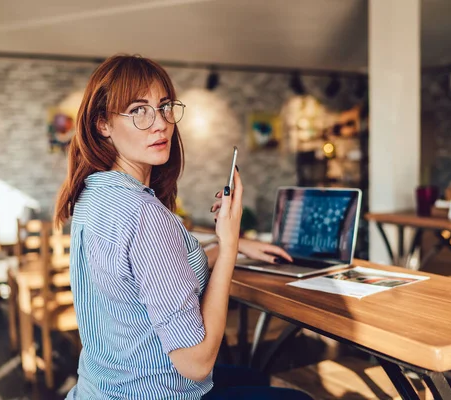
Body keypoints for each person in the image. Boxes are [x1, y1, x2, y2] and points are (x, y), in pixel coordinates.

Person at [55, 54, 312, 399]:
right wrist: (231, 246)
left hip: (101, 388)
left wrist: (225, 243)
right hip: (154, 391)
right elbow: (197, 363)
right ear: (103, 124)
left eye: (163, 107)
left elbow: (157, 268)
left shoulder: (94, 195)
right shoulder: (144, 215)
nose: (159, 123)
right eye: (138, 110)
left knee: (255, 376)